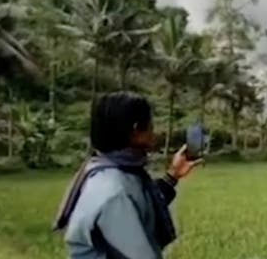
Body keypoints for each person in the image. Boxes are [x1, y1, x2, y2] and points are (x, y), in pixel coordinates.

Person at [52, 92, 202, 259]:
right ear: (136, 130)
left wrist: (172, 176)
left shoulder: (108, 169)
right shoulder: (115, 192)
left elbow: (142, 205)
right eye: (151, 123)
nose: (154, 129)